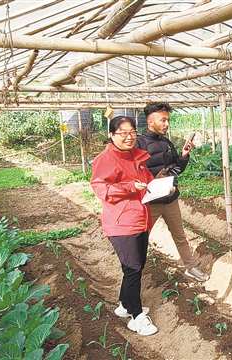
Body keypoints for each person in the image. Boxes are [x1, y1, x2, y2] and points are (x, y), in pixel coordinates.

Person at [90, 116, 158, 336]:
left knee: (135, 267)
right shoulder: (106, 158)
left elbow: (147, 180)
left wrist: (161, 187)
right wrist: (129, 187)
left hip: (140, 218)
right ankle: (137, 316)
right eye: (123, 133)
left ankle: (125, 305)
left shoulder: (134, 156)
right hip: (121, 222)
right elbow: (102, 189)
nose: (129, 137)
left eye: (132, 132)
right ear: (111, 135)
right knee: (133, 269)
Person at [136, 102, 209, 282]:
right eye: (163, 120)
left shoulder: (167, 142)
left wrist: (184, 155)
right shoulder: (139, 143)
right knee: (141, 239)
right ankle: (135, 273)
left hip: (170, 199)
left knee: (180, 236)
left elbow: (176, 168)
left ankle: (191, 267)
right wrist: (153, 179)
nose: (167, 124)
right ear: (150, 121)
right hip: (150, 203)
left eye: (167, 120)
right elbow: (135, 173)